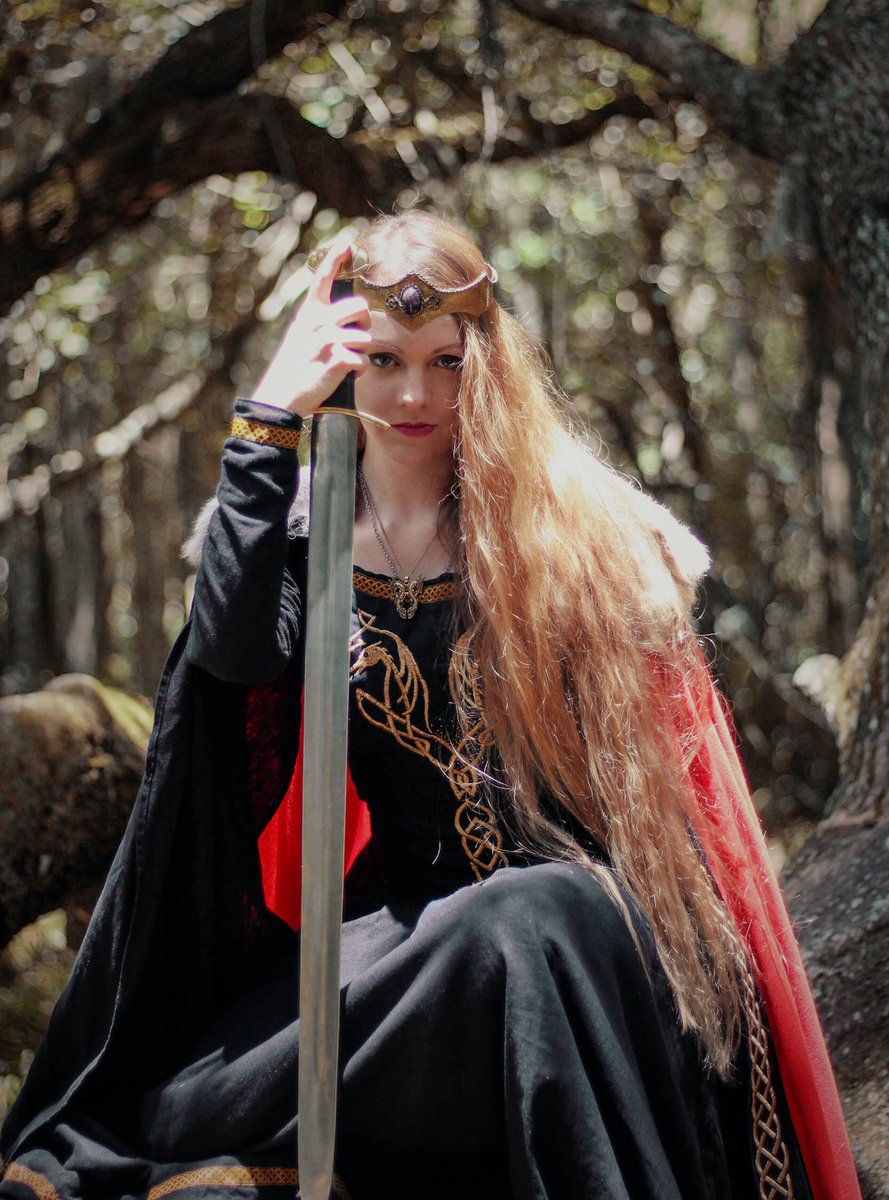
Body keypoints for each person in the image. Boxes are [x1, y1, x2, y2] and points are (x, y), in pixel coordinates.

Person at [0, 211, 860, 1200]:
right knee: (170, 1112)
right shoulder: (301, 537)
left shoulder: (578, 532)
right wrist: (268, 416)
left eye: (446, 363)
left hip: (585, 945)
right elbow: (229, 661)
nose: (414, 394)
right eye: (384, 360)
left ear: (483, 362)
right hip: (409, 952)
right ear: (344, 361)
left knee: (537, 911)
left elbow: (668, 813)